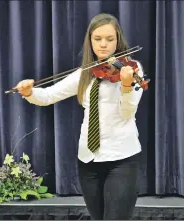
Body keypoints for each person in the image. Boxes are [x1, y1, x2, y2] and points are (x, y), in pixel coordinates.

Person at [15, 13, 144, 220]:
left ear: (118, 40)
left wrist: (126, 86)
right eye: (97, 39)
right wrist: (29, 92)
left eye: (110, 39)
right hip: (88, 160)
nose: (103, 45)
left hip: (122, 159)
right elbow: (48, 95)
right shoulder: (85, 73)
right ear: (90, 41)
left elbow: (128, 112)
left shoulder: (130, 69)